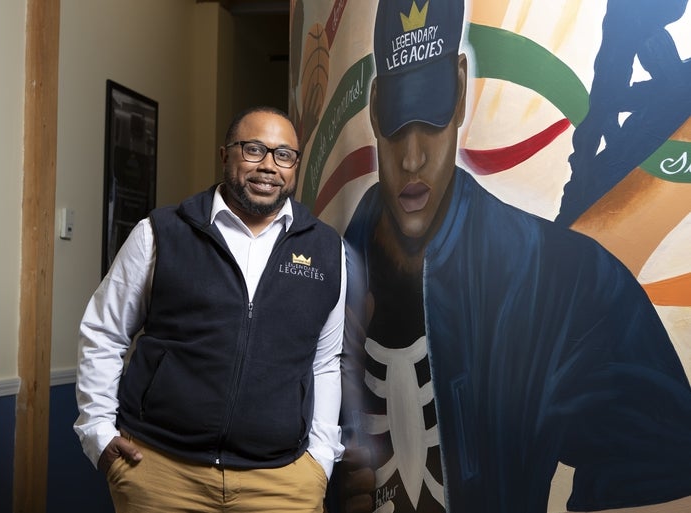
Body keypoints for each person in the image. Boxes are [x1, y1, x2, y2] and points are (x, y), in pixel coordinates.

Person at [337, 1, 691, 512]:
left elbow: (661, 452)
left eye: (430, 118)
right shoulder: (326, 275)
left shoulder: (555, 277)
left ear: (459, 90)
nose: (412, 157)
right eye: (396, 122)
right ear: (373, 107)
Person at [75, 105, 347, 513]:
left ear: (295, 166)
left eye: (283, 155)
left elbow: (326, 362)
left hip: (281, 483)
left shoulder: (327, 251)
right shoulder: (160, 233)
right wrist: (96, 432)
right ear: (225, 154)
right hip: (161, 472)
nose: (269, 166)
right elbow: (104, 332)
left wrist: (321, 460)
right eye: (253, 149)